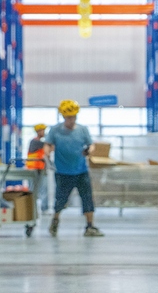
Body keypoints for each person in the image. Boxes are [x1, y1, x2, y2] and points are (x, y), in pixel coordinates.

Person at [45, 99, 103, 237]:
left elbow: (91, 144)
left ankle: (90, 226)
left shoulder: (82, 130)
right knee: (61, 200)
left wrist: (89, 150)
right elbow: (48, 144)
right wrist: (46, 153)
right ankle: (55, 220)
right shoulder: (55, 130)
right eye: (68, 117)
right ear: (64, 117)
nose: (71, 120)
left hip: (81, 171)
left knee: (87, 198)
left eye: (73, 117)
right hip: (63, 172)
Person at [27, 123, 49, 212]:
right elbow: (49, 145)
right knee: (33, 189)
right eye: (42, 130)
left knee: (43, 188)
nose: (44, 132)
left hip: (41, 168)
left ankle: (43, 208)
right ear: (38, 131)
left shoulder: (41, 142)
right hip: (33, 169)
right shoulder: (35, 142)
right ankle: (31, 208)